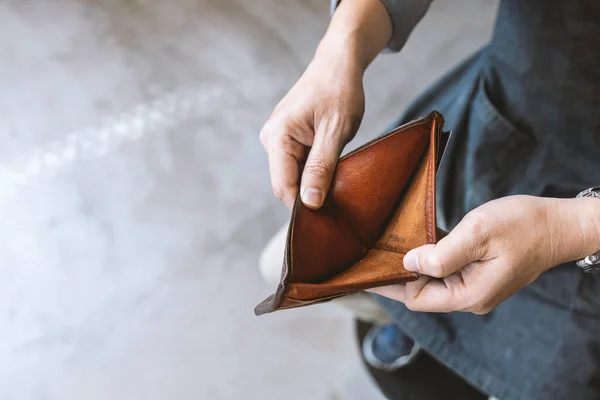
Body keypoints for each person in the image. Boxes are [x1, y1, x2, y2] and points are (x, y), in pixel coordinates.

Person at [258, 0, 600, 399]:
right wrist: (340, 50)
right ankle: (426, 333)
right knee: (285, 265)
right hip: (514, 114)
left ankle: (456, 349)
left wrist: (573, 228)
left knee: (549, 375)